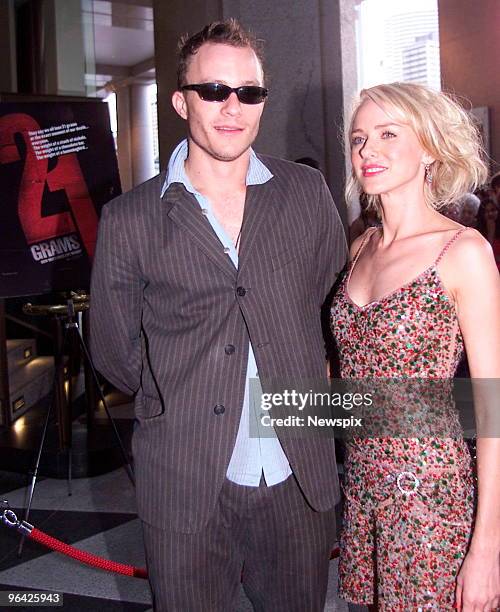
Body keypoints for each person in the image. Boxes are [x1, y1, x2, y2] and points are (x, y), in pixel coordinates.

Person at [90, 19, 347, 611]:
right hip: (184, 475)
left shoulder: (305, 192)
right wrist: (176, 395)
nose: (233, 108)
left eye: (249, 92)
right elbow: (113, 347)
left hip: (297, 474)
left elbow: (331, 310)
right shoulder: (131, 218)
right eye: (214, 91)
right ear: (181, 101)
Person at [330, 82, 500, 610]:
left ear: (427, 147)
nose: (368, 151)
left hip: (430, 496)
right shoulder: (363, 246)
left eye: (387, 134)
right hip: (363, 490)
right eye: (359, 139)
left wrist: (487, 550)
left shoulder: (462, 251)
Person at [477, 198, 500, 271]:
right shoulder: (476, 232)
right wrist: (490, 234)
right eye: (486, 211)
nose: (490, 214)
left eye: (493, 210)